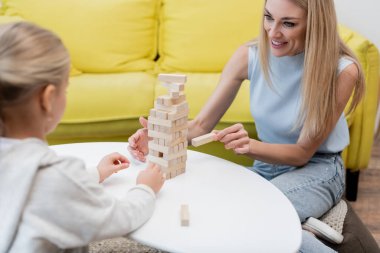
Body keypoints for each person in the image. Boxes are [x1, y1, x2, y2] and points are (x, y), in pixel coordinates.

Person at [128, 0, 364, 252]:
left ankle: (300, 229)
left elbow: (302, 153)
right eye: (268, 17)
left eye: (288, 23)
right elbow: (200, 126)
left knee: (256, 221)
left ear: (315, 25)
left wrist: (249, 146)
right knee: (214, 213)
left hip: (319, 168)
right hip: (266, 168)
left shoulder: (342, 71)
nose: (272, 32)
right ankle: (304, 227)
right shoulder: (249, 55)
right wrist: (161, 134)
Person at [0, 22, 165, 253]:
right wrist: (146, 189)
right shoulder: (56, 177)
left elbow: (35, 187)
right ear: (47, 99)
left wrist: (95, 173)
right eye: (65, 89)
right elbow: (121, 218)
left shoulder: (39, 173)